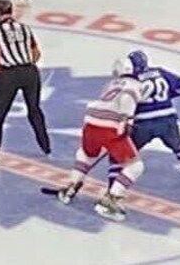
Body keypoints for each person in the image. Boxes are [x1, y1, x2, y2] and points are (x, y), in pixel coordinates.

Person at [55, 57, 152, 222]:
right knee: (135, 166)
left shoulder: (111, 84)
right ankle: (111, 198)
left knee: (87, 155)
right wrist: (126, 121)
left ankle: (71, 185)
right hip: (110, 126)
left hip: (90, 122)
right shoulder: (135, 86)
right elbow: (127, 100)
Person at [108, 50, 180, 188]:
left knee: (120, 155)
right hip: (167, 119)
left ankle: (112, 190)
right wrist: (168, 96)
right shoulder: (160, 72)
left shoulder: (129, 80)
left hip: (142, 123)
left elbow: (124, 102)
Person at [0, 0, 50, 165]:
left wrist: (1, 75)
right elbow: (36, 51)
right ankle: (45, 145)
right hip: (30, 71)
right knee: (34, 110)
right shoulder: (24, 28)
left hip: (9, 74)